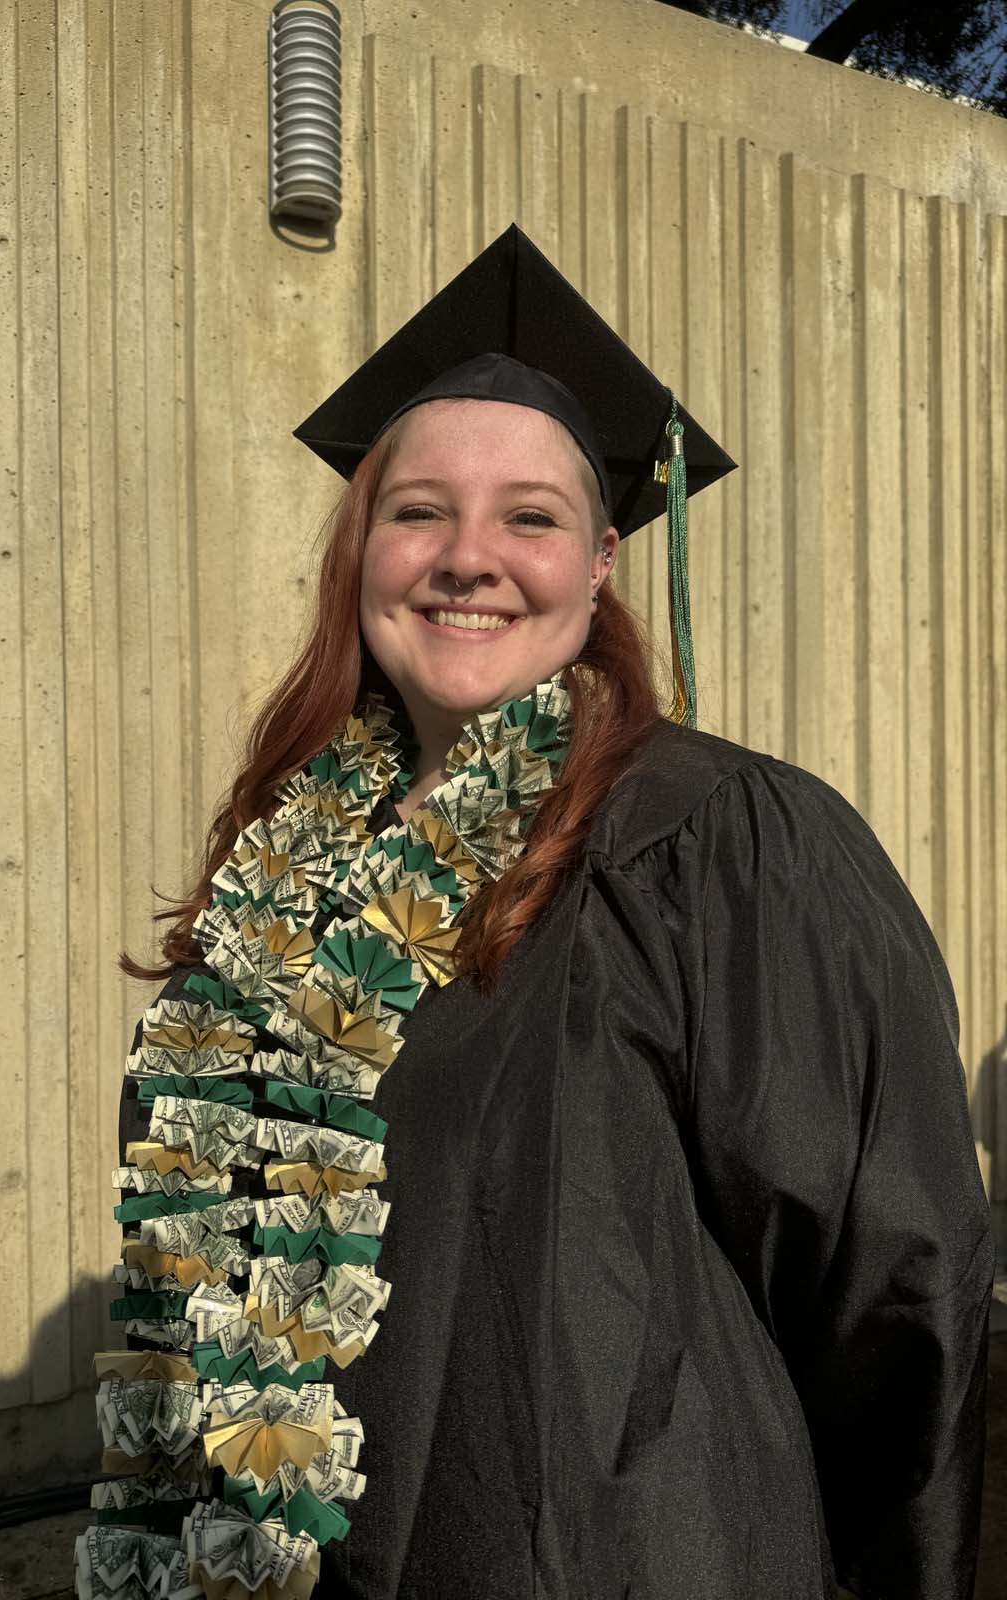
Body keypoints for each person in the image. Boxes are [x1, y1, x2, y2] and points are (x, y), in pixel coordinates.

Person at [75, 225, 992, 1600]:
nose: (467, 556)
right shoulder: (288, 872)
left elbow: (891, 1287)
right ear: (362, 547)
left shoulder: (716, 842)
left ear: (605, 558)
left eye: (531, 516)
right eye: (419, 510)